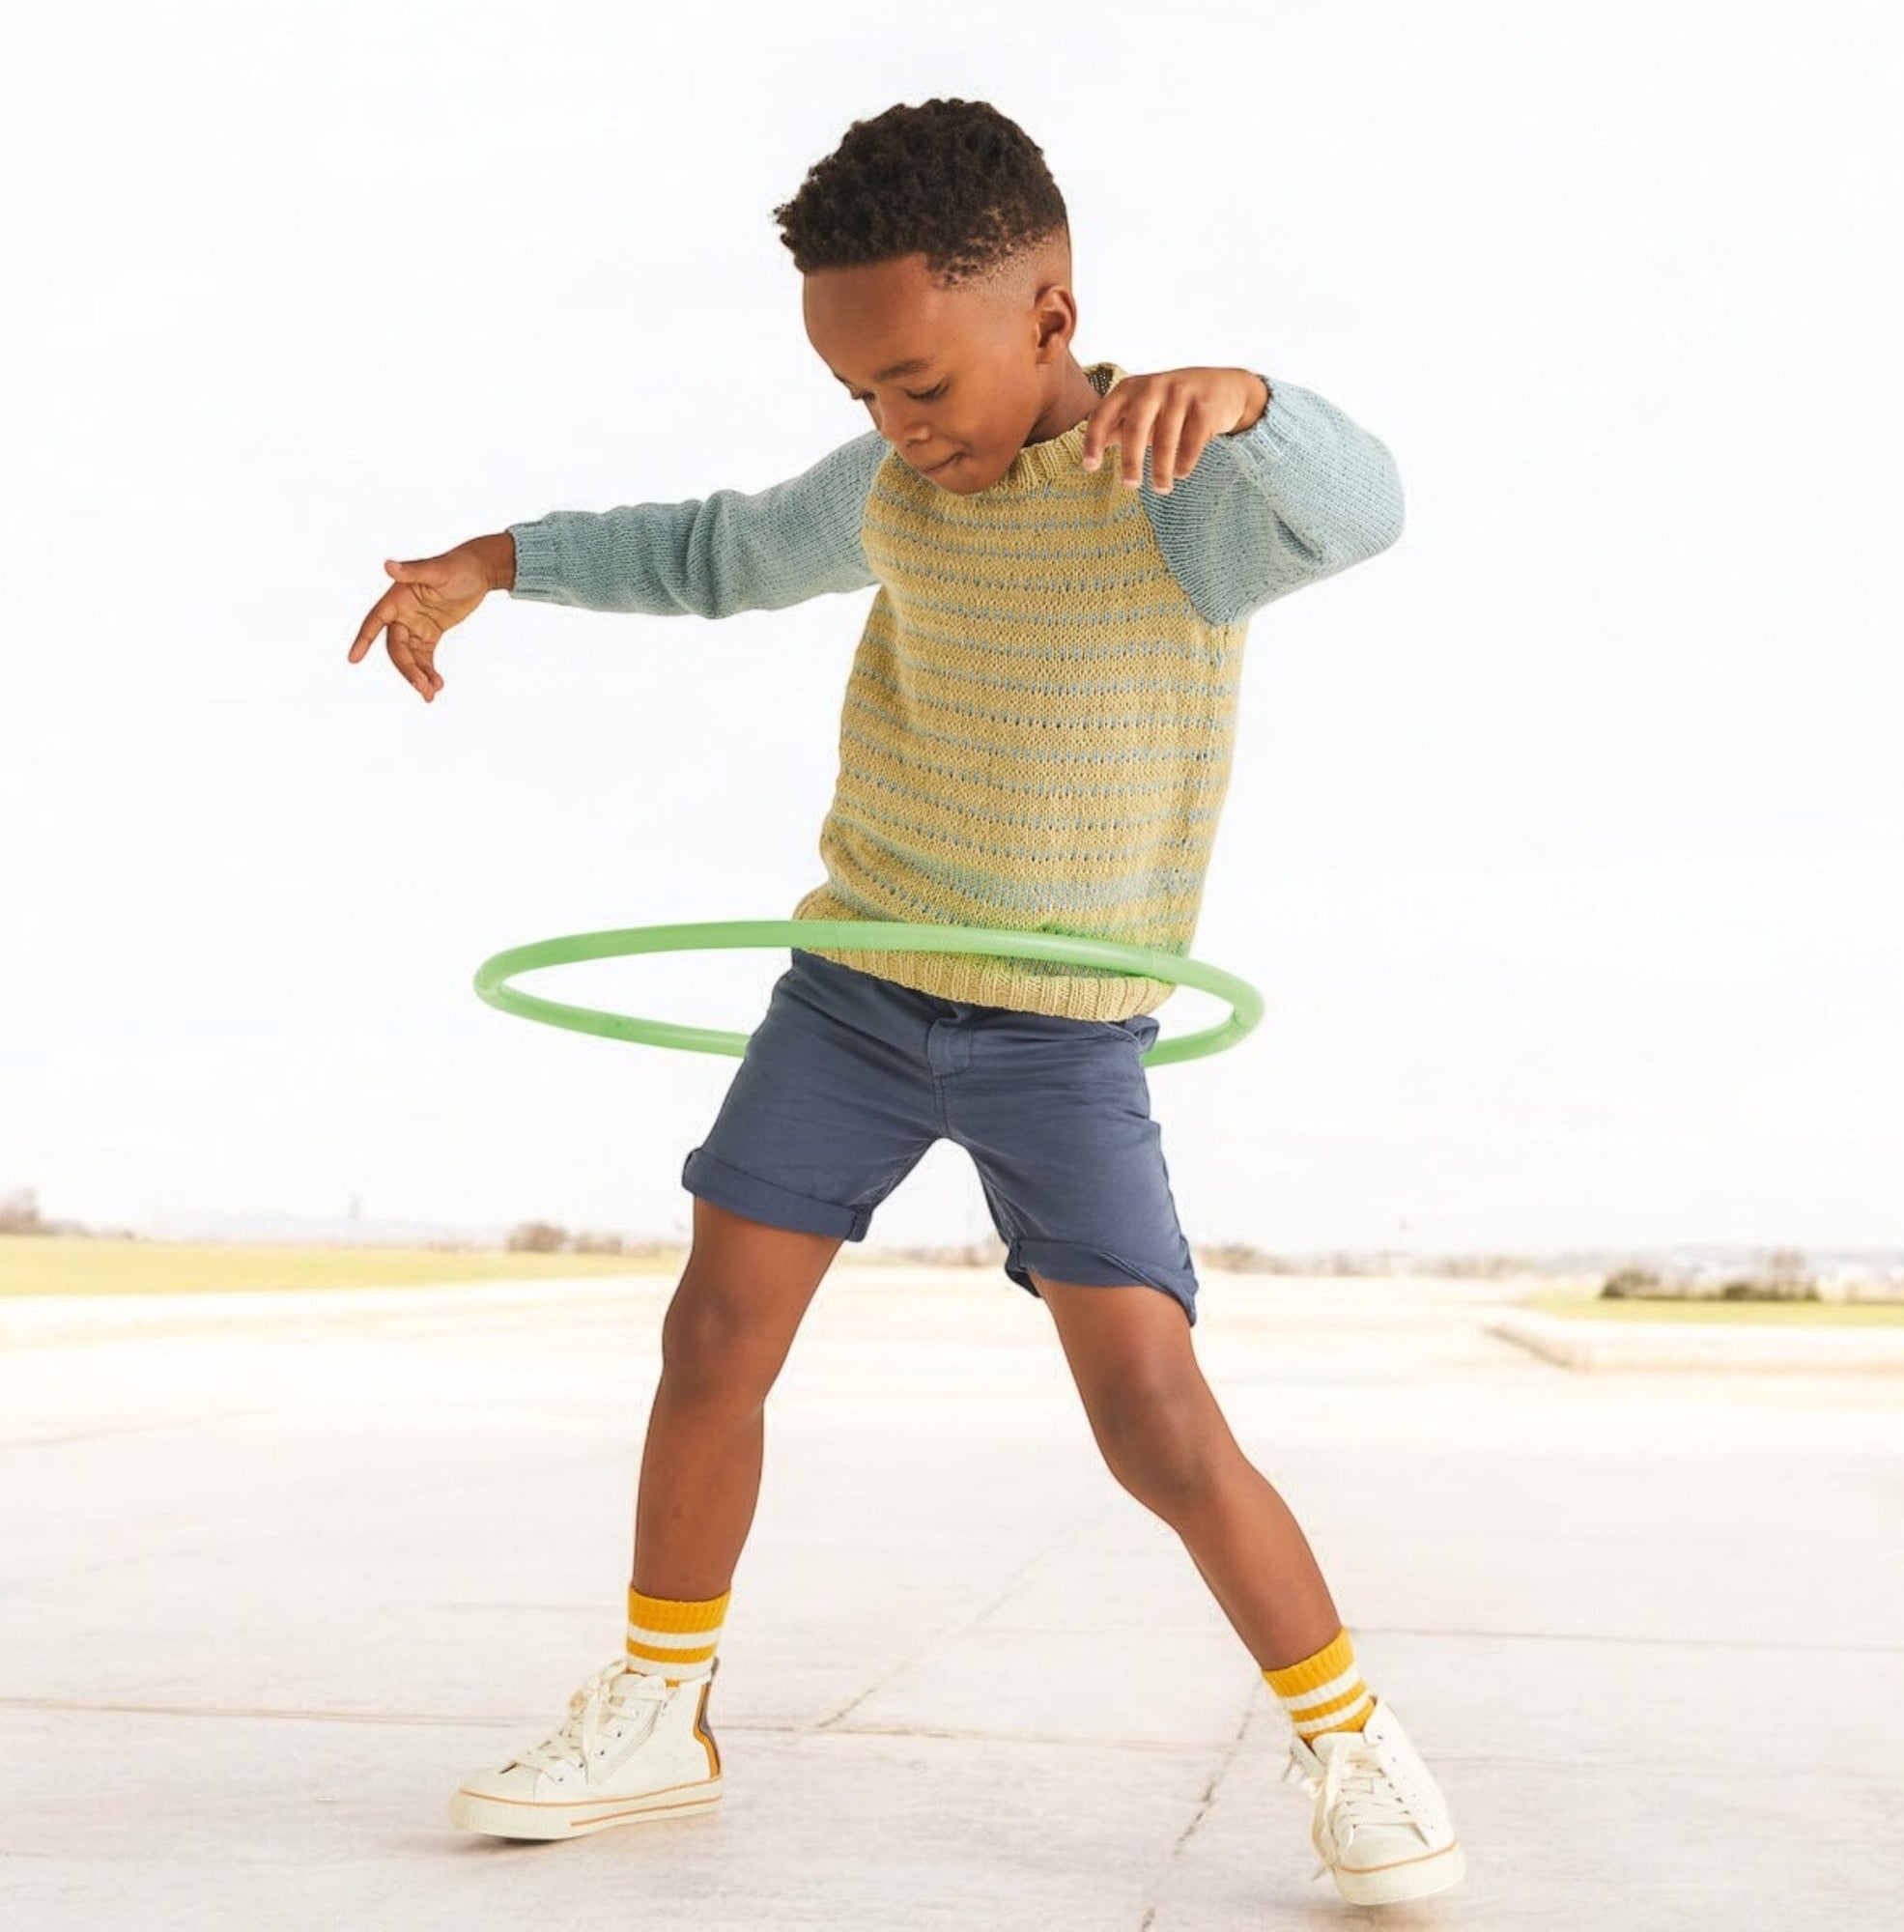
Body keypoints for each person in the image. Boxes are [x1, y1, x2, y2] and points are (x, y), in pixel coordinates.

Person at [347, 96, 1463, 1910]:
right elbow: (709, 553)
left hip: (1064, 1034)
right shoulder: (888, 487)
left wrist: (1255, 394)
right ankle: (660, 1706)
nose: (897, 429)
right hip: (856, 991)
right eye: (861, 395)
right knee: (713, 1336)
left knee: (1152, 1419)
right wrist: (496, 561)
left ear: (1049, 310)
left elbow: (1369, 513)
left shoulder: (1188, 500)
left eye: (920, 383)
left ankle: (1351, 1739)